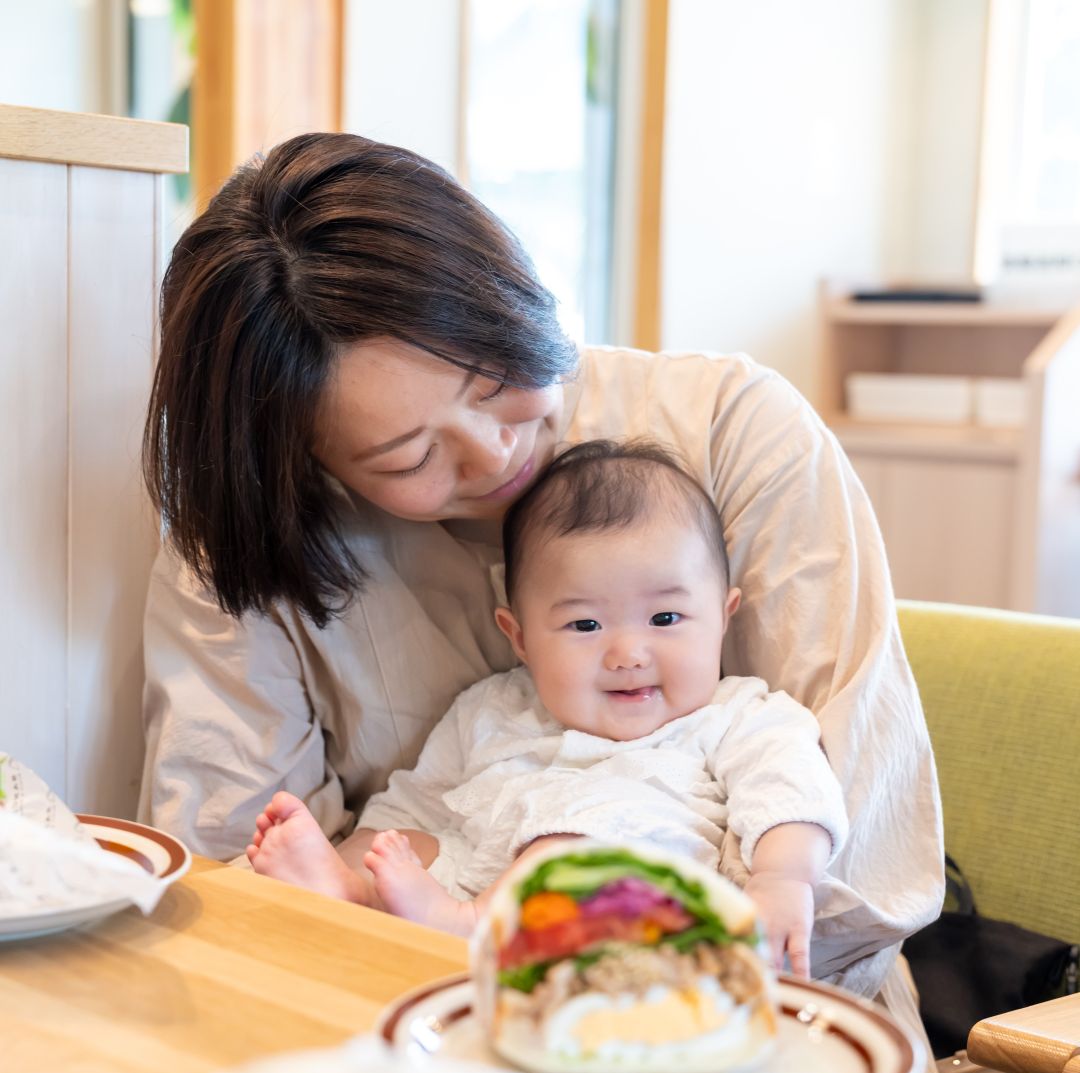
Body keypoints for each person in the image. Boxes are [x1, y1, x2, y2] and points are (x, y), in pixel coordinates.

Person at [137, 132, 941, 1024]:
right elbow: (239, 885)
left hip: (756, 1018)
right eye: (408, 457)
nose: (494, 454)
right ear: (303, 464)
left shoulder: (730, 430)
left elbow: (865, 861)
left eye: (495, 380)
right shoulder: (250, 547)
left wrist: (603, 970)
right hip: (406, 1015)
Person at [246, 439, 850, 978]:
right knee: (404, 839)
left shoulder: (737, 713)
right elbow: (418, 801)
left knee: (577, 839)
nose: (627, 654)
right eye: (585, 625)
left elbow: (791, 791)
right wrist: (367, 854)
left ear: (723, 615)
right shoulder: (491, 707)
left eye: (665, 618)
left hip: (621, 917)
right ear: (520, 637)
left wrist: (782, 879)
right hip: (467, 880)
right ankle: (350, 896)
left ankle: (468, 928)